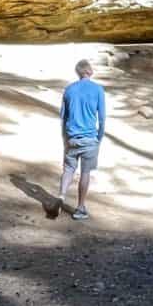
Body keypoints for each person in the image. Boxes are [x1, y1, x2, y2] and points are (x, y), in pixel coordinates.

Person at [56, 59, 106, 220]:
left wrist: (65, 138)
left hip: (72, 137)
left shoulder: (69, 89)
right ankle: (80, 208)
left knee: (69, 169)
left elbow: (63, 118)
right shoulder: (98, 90)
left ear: (78, 72)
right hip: (90, 138)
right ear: (90, 72)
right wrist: (99, 137)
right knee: (85, 172)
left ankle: (62, 196)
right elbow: (102, 118)